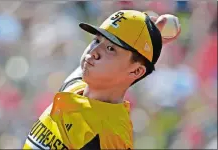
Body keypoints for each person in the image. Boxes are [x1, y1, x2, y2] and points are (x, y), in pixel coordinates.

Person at [23, 10, 180, 149]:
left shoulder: (109, 137)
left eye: (111, 49)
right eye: (97, 40)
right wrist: (153, 39)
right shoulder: (75, 87)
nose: (94, 52)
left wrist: (149, 45)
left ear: (137, 70)